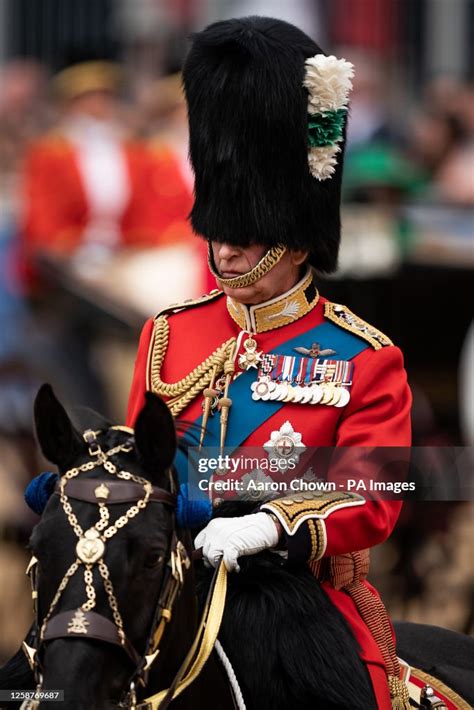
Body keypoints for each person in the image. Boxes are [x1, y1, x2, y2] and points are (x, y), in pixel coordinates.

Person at [127, 17, 412, 710]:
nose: (224, 253)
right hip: (174, 598)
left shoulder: (365, 357)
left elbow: (377, 495)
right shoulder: (167, 334)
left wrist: (275, 523)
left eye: (245, 238)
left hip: (296, 603)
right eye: (218, 236)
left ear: (293, 237)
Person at [19, 59, 194, 289]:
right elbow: (43, 216)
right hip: (70, 258)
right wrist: (73, 248)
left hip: (126, 253)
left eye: (104, 97)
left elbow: (147, 209)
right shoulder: (50, 155)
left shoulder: (130, 151)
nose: (97, 106)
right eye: (87, 100)